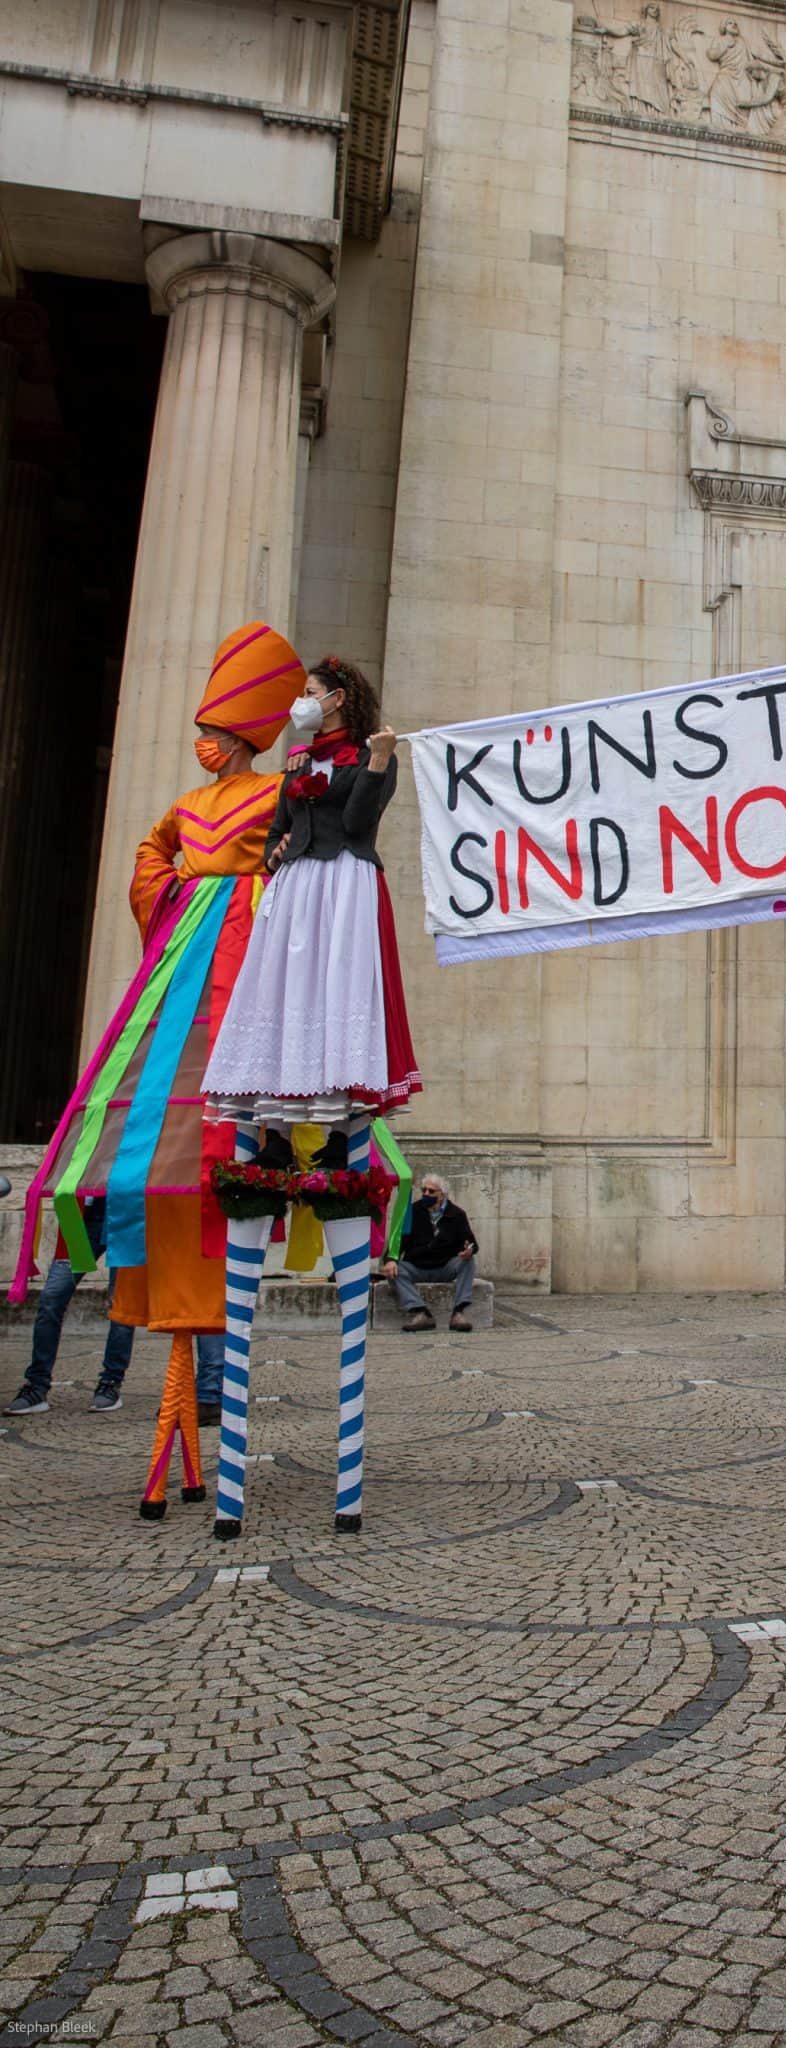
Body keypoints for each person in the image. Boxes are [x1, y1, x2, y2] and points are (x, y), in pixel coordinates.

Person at [5, 621, 305, 1442]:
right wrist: (173, 890)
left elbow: (295, 852)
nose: (203, 743)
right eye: (202, 731)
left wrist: (250, 889)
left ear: (238, 737)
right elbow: (151, 854)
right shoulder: (185, 805)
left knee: (226, 1091)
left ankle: (216, 1357)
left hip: (237, 953)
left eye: (212, 731)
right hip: (188, 948)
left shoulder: (274, 792)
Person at [200, 654, 421, 1538]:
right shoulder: (296, 758)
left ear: (341, 698)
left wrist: (377, 763)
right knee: (281, 991)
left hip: (345, 885)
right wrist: (276, 851)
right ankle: (270, 1113)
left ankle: (332, 1123)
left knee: (334, 997)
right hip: (297, 891)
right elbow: (280, 829)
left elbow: (360, 825)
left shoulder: (370, 753)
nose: (308, 700)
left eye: (318, 691)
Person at [7, 1195, 134, 1413]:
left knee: (121, 1304)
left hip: (126, 1216)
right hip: (83, 1218)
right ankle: (37, 1386)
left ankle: (111, 1382)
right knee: (51, 1298)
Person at [385, 1176, 479, 1330]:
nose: (426, 1194)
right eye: (424, 1190)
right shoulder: (413, 1211)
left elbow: (471, 1242)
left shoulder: (456, 1214)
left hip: (445, 1267)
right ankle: (421, 1312)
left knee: (468, 1262)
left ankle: (458, 1313)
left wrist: (469, 1250)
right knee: (394, 1269)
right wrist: (390, 1259)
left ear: (442, 1194)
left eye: (431, 1191)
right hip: (416, 1266)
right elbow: (398, 1241)